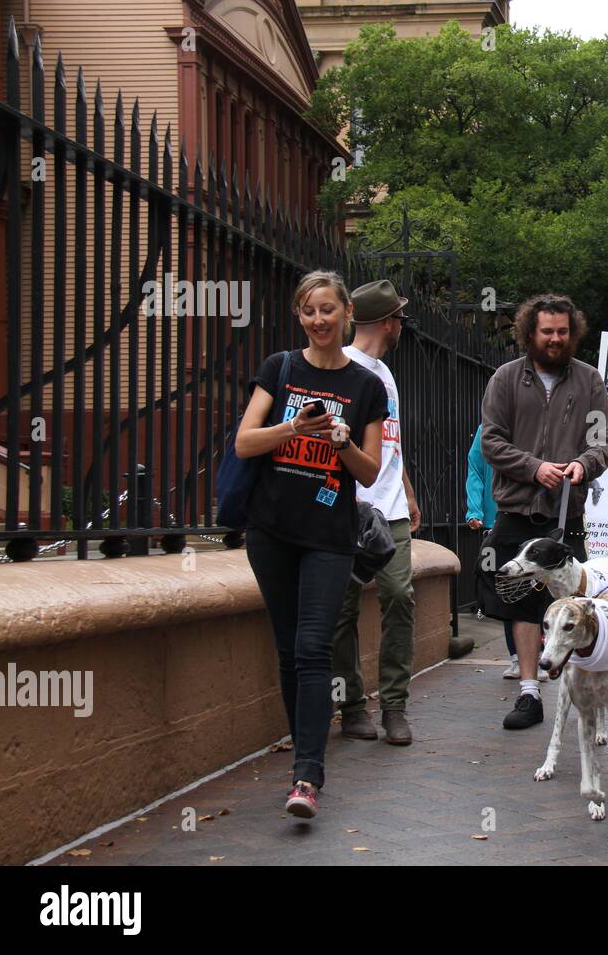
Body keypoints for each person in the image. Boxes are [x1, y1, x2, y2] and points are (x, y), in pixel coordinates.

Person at [235, 270, 388, 819]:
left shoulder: (366, 387)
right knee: (287, 651)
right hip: (271, 532)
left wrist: (342, 441)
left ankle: (306, 777)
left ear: (347, 312)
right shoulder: (280, 368)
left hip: (329, 537)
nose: (319, 320)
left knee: (312, 649)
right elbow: (245, 441)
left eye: (328, 309)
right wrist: (292, 430)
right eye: (308, 311)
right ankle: (303, 754)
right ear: (299, 316)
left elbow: (369, 474)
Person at [480, 293, 608, 730]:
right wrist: (535, 469)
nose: (555, 340)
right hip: (517, 508)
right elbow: (492, 442)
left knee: (570, 601)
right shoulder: (504, 379)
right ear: (529, 333)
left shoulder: (590, 381)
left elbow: (601, 444)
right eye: (546, 332)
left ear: (572, 332)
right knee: (521, 601)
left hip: (566, 515)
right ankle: (529, 691)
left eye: (562, 332)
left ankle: (578, 687)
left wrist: (582, 465)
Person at [330, 280, 421, 747]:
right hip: (348, 508)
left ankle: (394, 707)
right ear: (388, 322)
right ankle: (350, 706)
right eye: (400, 318)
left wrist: (406, 490)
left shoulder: (386, 373)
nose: (402, 325)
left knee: (399, 595)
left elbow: (390, 442)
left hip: (390, 508)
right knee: (342, 608)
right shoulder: (342, 368)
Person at [466, 423, 522, 679]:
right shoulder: (486, 429)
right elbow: (476, 468)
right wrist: (474, 509)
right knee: (508, 591)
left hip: (532, 518)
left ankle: (539, 651)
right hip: (496, 521)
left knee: (535, 590)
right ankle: (516, 657)